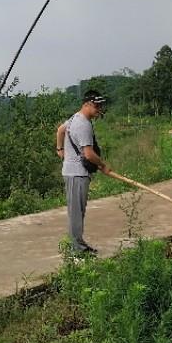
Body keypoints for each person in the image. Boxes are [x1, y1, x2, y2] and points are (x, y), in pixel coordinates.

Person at [55, 90, 111, 256]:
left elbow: (60, 130)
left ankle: (78, 244)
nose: (99, 109)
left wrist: (60, 148)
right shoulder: (83, 124)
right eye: (96, 105)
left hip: (74, 172)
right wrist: (103, 165)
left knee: (77, 211)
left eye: (100, 106)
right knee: (76, 213)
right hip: (76, 174)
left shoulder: (75, 118)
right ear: (87, 104)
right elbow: (89, 154)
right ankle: (77, 249)